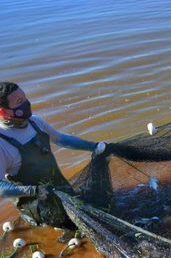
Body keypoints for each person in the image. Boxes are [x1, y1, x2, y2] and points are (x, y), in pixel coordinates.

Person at [0, 82, 105, 233]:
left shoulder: (35, 122)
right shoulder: (2, 142)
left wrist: (94, 147)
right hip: (37, 205)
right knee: (73, 230)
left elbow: (62, 140)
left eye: (25, 99)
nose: (26, 104)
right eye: (19, 102)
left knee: (89, 218)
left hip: (61, 189)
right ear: (3, 112)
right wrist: (34, 191)